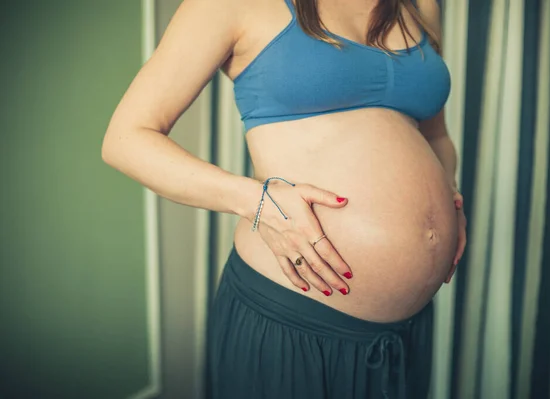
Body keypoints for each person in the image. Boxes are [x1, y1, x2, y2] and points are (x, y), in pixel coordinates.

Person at [102, 0, 467, 397]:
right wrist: (254, 201)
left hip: (408, 330)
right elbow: (126, 139)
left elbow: (435, 136)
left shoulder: (419, 5)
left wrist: (448, 198)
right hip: (293, 318)